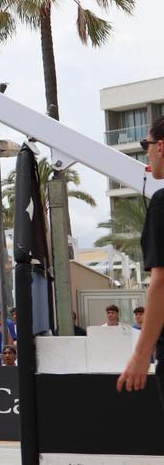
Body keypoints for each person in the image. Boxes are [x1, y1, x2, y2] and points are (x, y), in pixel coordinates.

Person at [119, 118, 164, 397]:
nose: (145, 151)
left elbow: (161, 283)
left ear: (161, 147)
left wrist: (141, 354)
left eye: (145, 144)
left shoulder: (161, 202)